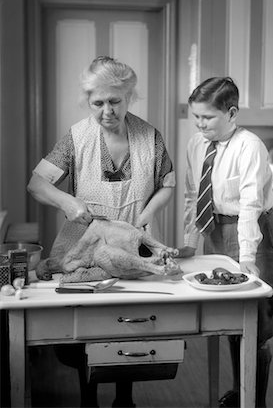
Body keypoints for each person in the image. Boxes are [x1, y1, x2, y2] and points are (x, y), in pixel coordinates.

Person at [27, 56, 175, 408]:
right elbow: (36, 183)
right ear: (88, 100)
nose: (107, 111)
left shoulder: (149, 137)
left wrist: (144, 216)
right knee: (85, 334)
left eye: (115, 101)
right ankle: (88, 399)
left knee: (129, 325)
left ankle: (125, 400)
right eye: (98, 103)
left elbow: (167, 184)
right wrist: (66, 202)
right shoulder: (76, 138)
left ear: (129, 97)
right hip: (85, 247)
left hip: (130, 245)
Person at [178, 77, 273, 408]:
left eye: (207, 117)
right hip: (215, 231)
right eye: (195, 117)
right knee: (228, 315)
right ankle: (241, 392)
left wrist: (248, 256)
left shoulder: (250, 146)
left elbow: (251, 205)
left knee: (255, 320)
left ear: (231, 112)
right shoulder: (196, 144)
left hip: (251, 231)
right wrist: (189, 242)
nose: (199, 124)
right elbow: (193, 195)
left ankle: (255, 401)